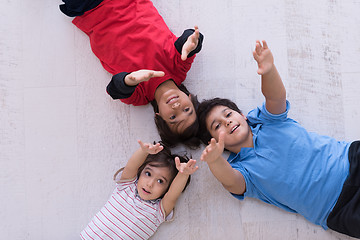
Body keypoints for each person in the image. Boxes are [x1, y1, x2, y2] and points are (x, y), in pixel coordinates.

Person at [197, 40, 360, 238]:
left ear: (242, 115)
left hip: (351, 160)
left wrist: (268, 70)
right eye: (217, 126)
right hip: (339, 209)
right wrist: (215, 161)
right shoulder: (243, 170)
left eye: (228, 114)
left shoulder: (266, 121)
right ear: (213, 141)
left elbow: (275, 97)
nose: (227, 122)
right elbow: (231, 181)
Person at [59, 0, 204, 148]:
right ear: (190, 99)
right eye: (186, 109)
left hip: (92, 10)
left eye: (173, 117)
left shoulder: (140, 96)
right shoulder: (179, 69)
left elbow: (115, 89)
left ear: (159, 116)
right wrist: (192, 42)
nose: (177, 106)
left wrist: (129, 80)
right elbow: (188, 42)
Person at [80, 140, 198, 239]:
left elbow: (173, 194)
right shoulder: (126, 187)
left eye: (160, 181)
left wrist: (183, 174)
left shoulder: (158, 211)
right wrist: (143, 151)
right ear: (140, 172)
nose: (150, 184)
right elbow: (132, 166)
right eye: (148, 173)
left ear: (167, 189)